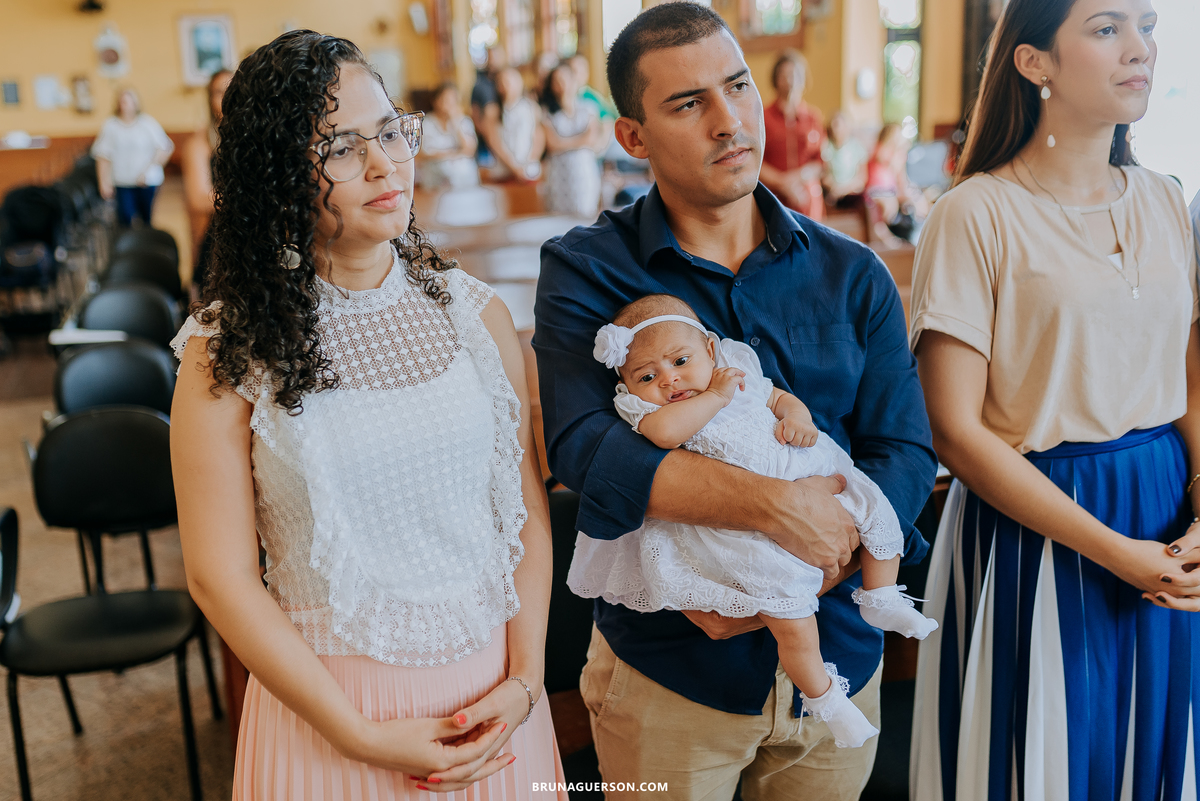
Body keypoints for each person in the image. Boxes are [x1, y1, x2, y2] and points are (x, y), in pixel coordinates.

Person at [533, 4, 936, 799]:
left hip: (838, 656)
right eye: (689, 104)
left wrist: (805, 571)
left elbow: (904, 450)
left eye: (738, 87)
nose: (729, 121)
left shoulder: (852, 273)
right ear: (634, 138)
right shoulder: (586, 272)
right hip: (670, 672)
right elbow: (589, 452)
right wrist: (773, 511)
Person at [169, 30, 566, 800]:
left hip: (496, 706)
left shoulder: (472, 314)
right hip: (329, 714)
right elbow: (218, 575)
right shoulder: (225, 348)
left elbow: (521, 513)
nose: (386, 164)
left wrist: (526, 679)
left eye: (389, 131)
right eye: (341, 147)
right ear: (280, 172)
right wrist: (355, 731)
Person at [908, 1, 1200, 799]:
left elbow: (1186, 380)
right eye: (1107, 29)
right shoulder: (976, 213)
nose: (1139, 48)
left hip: (1168, 516)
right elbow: (955, 432)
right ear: (1034, 63)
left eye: (1146, 26)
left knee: (1152, 755)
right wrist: (1115, 550)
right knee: (1043, 761)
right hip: (1038, 523)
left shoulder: (1166, 199)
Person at [571, 294, 939, 749]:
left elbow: (780, 397)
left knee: (874, 504)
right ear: (629, 385)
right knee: (790, 612)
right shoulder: (655, 411)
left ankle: (881, 593)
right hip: (737, 531)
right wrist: (715, 395)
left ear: (710, 349)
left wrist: (797, 416)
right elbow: (664, 435)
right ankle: (826, 697)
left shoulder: (739, 372)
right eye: (647, 375)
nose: (668, 379)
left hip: (808, 473)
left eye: (680, 361)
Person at [181, 69, 233, 296]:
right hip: (217, 240)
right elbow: (199, 199)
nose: (226, 98)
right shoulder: (200, 143)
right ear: (210, 100)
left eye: (232, 91)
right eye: (218, 92)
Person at [91, 87, 174, 227]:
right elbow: (103, 155)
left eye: (128, 102)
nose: (125, 105)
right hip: (122, 182)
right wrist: (103, 182)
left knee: (146, 219)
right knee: (125, 218)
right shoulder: (111, 125)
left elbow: (165, 147)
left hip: (147, 182)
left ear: (136, 103)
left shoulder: (147, 123)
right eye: (122, 102)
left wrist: (150, 170)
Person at [759, 50, 825, 221]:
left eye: (794, 74)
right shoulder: (763, 117)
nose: (790, 80)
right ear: (776, 78)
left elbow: (819, 162)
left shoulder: (813, 118)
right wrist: (783, 183)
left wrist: (798, 179)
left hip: (807, 197)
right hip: (773, 196)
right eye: (784, 74)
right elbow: (755, 160)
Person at [540, 61, 602, 216]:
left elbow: (591, 140)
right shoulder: (548, 112)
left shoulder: (588, 108)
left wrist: (563, 142)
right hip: (558, 173)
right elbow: (552, 144)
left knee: (585, 217)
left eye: (565, 79)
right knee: (559, 219)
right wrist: (579, 141)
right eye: (557, 81)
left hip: (583, 171)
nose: (562, 84)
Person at [864, 123, 928, 244]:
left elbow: (902, 180)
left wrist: (912, 195)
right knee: (889, 205)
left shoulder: (898, 154)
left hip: (892, 191)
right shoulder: (881, 150)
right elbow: (884, 159)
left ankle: (915, 232)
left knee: (919, 200)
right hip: (876, 191)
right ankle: (889, 237)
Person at [482, 67, 544, 182]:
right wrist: (514, 168)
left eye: (510, 81)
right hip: (503, 171)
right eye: (503, 82)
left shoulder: (531, 107)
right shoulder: (493, 110)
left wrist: (529, 161)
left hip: (528, 170)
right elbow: (494, 141)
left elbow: (539, 137)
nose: (507, 85)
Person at [417, 82, 480, 190]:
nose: (448, 104)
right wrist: (452, 154)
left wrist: (455, 121)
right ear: (435, 101)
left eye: (452, 100)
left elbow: (469, 150)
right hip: (435, 172)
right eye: (445, 99)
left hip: (461, 173)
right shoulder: (426, 123)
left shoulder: (463, 121)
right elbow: (422, 154)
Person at [821, 111, 867, 206]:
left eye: (837, 125)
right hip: (831, 192)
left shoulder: (857, 147)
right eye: (832, 125)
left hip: (851, 192)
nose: (834, 129)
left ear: (847, 127)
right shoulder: (826, 146)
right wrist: (834, 189)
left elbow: (862, 178)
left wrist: (843, 190)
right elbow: (824, 176)